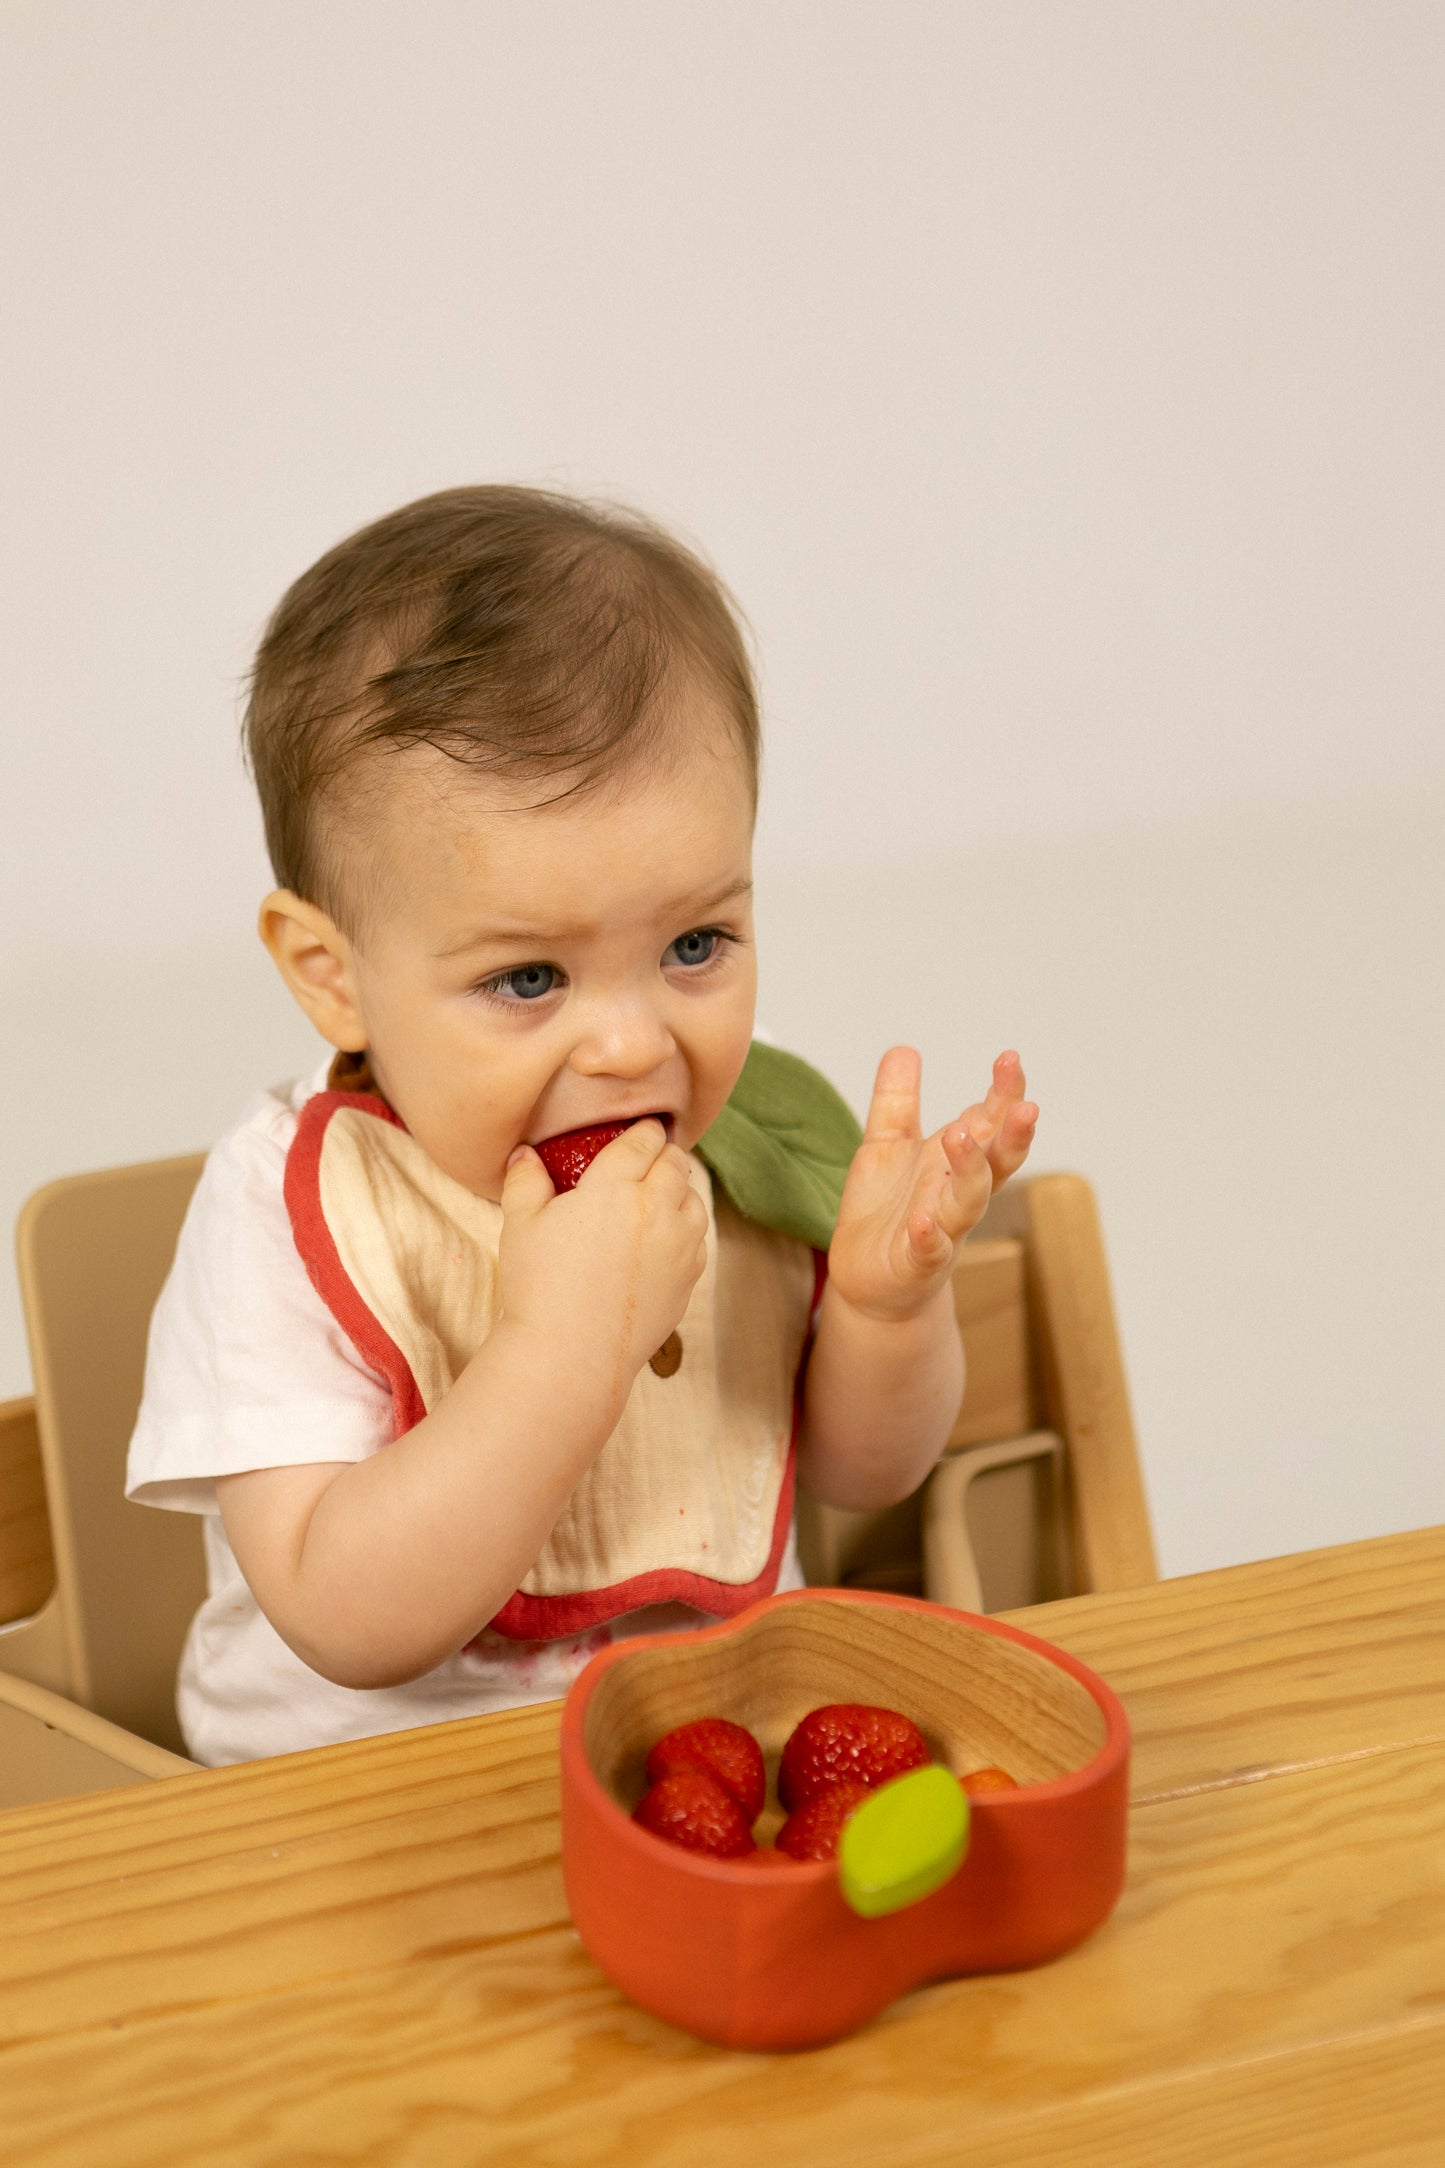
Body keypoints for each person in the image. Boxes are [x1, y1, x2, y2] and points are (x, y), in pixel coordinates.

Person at [126, 486, 1038, 1765]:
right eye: (527, 979)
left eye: (693, 944)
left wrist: (887, 1309)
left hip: (698, 1771)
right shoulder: (288, 1204)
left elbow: (857, 1472)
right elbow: (344, 1614)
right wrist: (563, 1348)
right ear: (332, 971)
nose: (629, 1045)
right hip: (343, 1825)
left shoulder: (747, 1140)